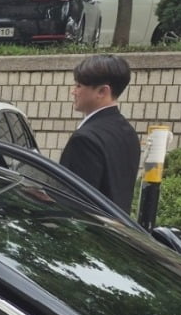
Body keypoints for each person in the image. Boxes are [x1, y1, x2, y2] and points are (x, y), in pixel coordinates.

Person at [59, 54, 140, 211]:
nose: (73, 91)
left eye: (79, 86)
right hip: (118, 230)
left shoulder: (85, 139)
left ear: (102, 91)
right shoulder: (128, 132)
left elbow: (72, 203)